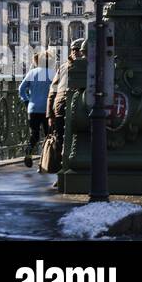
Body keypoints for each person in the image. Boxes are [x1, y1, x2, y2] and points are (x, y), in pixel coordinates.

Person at [45, 40, 84, 180]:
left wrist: (50, 114)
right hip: (76, 108)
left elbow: (52, 91)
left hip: (60, 107)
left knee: (62, 140)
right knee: (76, 139)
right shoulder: (85, 67)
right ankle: (69, 170)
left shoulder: (63, 67)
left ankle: (62, 171)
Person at [17, 52, 54, 169]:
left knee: (34, 134)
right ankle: (44, 160)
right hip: (47, 109)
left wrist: (27, 100)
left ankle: (29, 150)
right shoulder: (53, 73)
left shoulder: (32, 73)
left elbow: (21, 89)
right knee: (49, 135)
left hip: (32, 108)